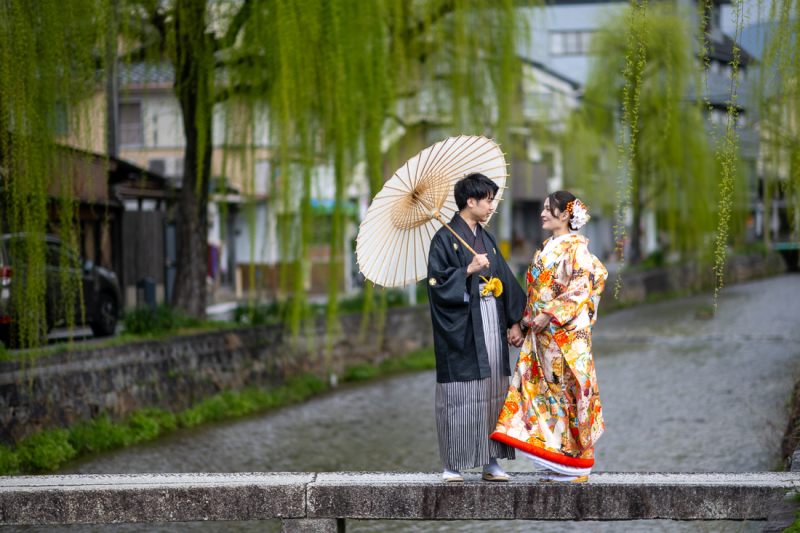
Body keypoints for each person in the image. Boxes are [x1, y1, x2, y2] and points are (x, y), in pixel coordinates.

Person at [490, 191, 607, 482]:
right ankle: (552, 458)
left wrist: (549, 314)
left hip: (563, 333)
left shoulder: (576, 247)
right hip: (543, 334)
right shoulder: (546, 247)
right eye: (542, 208)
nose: (542, 213)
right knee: (541, 394)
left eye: (548, 209)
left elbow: (582, 287)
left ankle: (574, 462)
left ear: (566, 215)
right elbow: (535, 293)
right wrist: (524, 324)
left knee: (566, 392)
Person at [427, 173, 527, 483]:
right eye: (488, 201)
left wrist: (514, 322)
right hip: (461, 327)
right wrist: (467, 270)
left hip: (492, 322)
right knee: (459, 395)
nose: (491, 206)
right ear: (470, 201)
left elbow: (506, 280)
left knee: (494, 391)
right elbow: (435, 285)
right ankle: (452, 465)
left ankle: (491, 461)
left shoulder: (487, 238)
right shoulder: (443, 239)